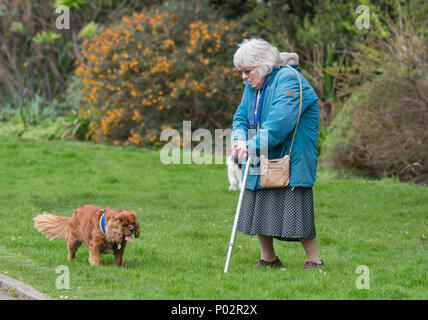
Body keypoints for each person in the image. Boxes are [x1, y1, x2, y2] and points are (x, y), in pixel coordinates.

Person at [231, 37, 323, 269]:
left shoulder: (290, 80)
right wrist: (239, 140)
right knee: (259, 201)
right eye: (241, 72)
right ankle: (268, 259)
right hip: (261, 153)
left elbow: (279, 124)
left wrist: (250, 146)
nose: (244, 77)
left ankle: (313, 260)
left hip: (291, 156)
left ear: (262, 66)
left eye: (246, 71)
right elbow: (241, 116)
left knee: (296, 207)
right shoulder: (252, 86)